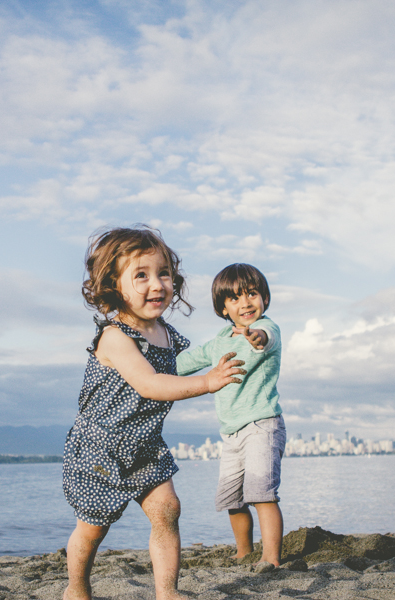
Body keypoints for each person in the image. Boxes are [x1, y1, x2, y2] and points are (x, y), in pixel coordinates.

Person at [62, 226, 246, 600]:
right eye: (141, 275)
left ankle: (167, 592)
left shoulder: (165, 331)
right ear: (114, 285)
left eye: (163, 273)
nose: (157, 284)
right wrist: (209, 383)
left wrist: (237, 337)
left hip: (144, 445)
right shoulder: (116, 336)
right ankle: (76, 588)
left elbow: (188, 362)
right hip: (100, 449)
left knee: (167, 509)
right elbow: (152, 384)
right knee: (93, 528)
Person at [176, 263, 286, 567]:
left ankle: (271, 559)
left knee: (262, 493)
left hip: (262, 425)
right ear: (223, 307)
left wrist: (255, 338)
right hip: (231, 434)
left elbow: (266, 338)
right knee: (231, 499)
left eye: (252, 294)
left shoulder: (268, 327)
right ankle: (243, 551)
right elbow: (184, 363)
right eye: (235, 298)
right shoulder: (219, 342)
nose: (245, 303)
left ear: (263, 297)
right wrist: (146, 364)